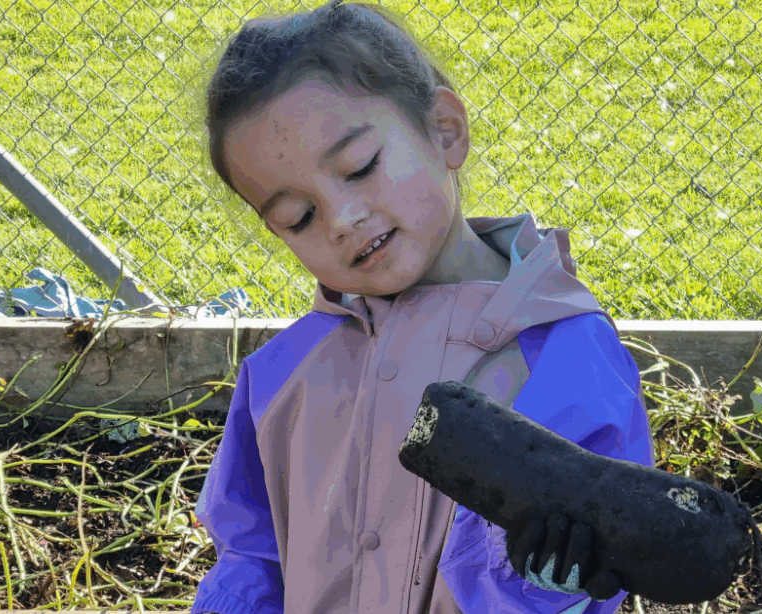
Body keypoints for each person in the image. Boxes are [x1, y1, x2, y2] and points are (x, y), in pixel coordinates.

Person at [191, 1, 654, 612]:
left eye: (360, 169)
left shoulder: (562, 356)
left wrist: (544, 581)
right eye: (297, 217)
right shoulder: (283, 376)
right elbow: (252, 553)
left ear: (444, 129)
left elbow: (604, 556)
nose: (342, 219)